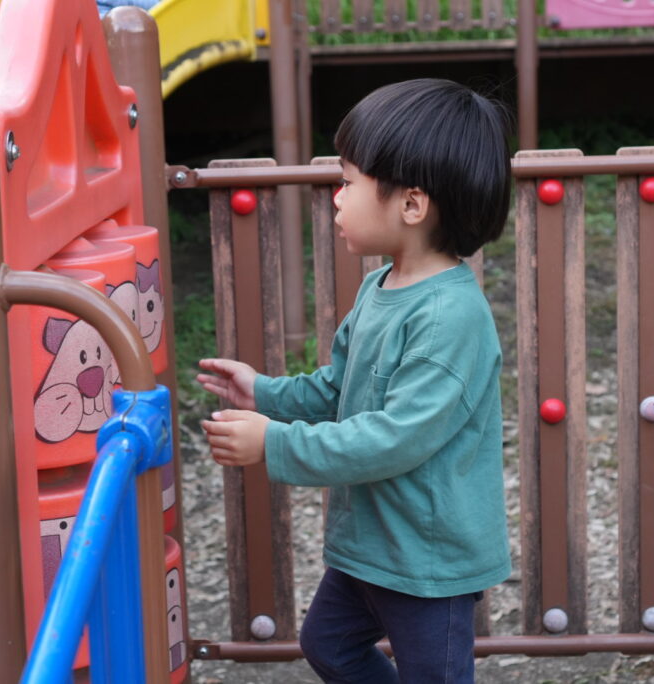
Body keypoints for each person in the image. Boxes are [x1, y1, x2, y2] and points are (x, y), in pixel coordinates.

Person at [198, 78, 512, 683]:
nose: (336, 197)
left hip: (427, 561)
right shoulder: (380, 288)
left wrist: (275, 443)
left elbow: (395, 438)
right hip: (371, 548)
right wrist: (263, 393)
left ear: (412, 205)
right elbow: (337, 391)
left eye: (347, 182)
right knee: (329, 646)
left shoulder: (451, 318)